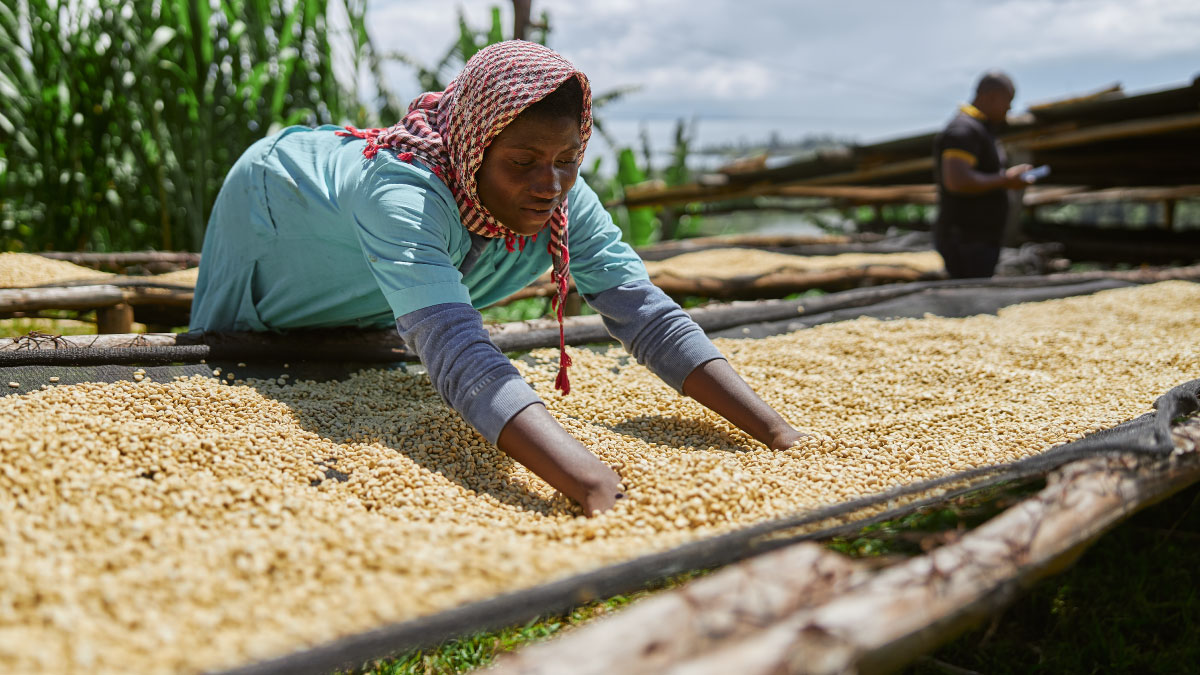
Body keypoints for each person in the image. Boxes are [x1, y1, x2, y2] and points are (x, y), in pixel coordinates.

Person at [191, 41, 807, 516]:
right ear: (473, 147)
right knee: (236, 354)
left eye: (568, 160)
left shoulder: (563, 194)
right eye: (523, 162)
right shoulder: (403, 192)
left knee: (373, 319)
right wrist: (590, 482)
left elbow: (644, 311)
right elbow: (458, 350)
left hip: (387, 245)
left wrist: (777, 432)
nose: (551, 184)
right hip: (277, 211)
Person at [932, 71, 1032, 279]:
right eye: (1008, 101)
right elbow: (957, 181)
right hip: (966, 239)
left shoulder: (980, 130)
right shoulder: (963, 130)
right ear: (991, 96)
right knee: (969, 298)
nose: (1010, 108)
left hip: (977, 238)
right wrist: (1006, 180)